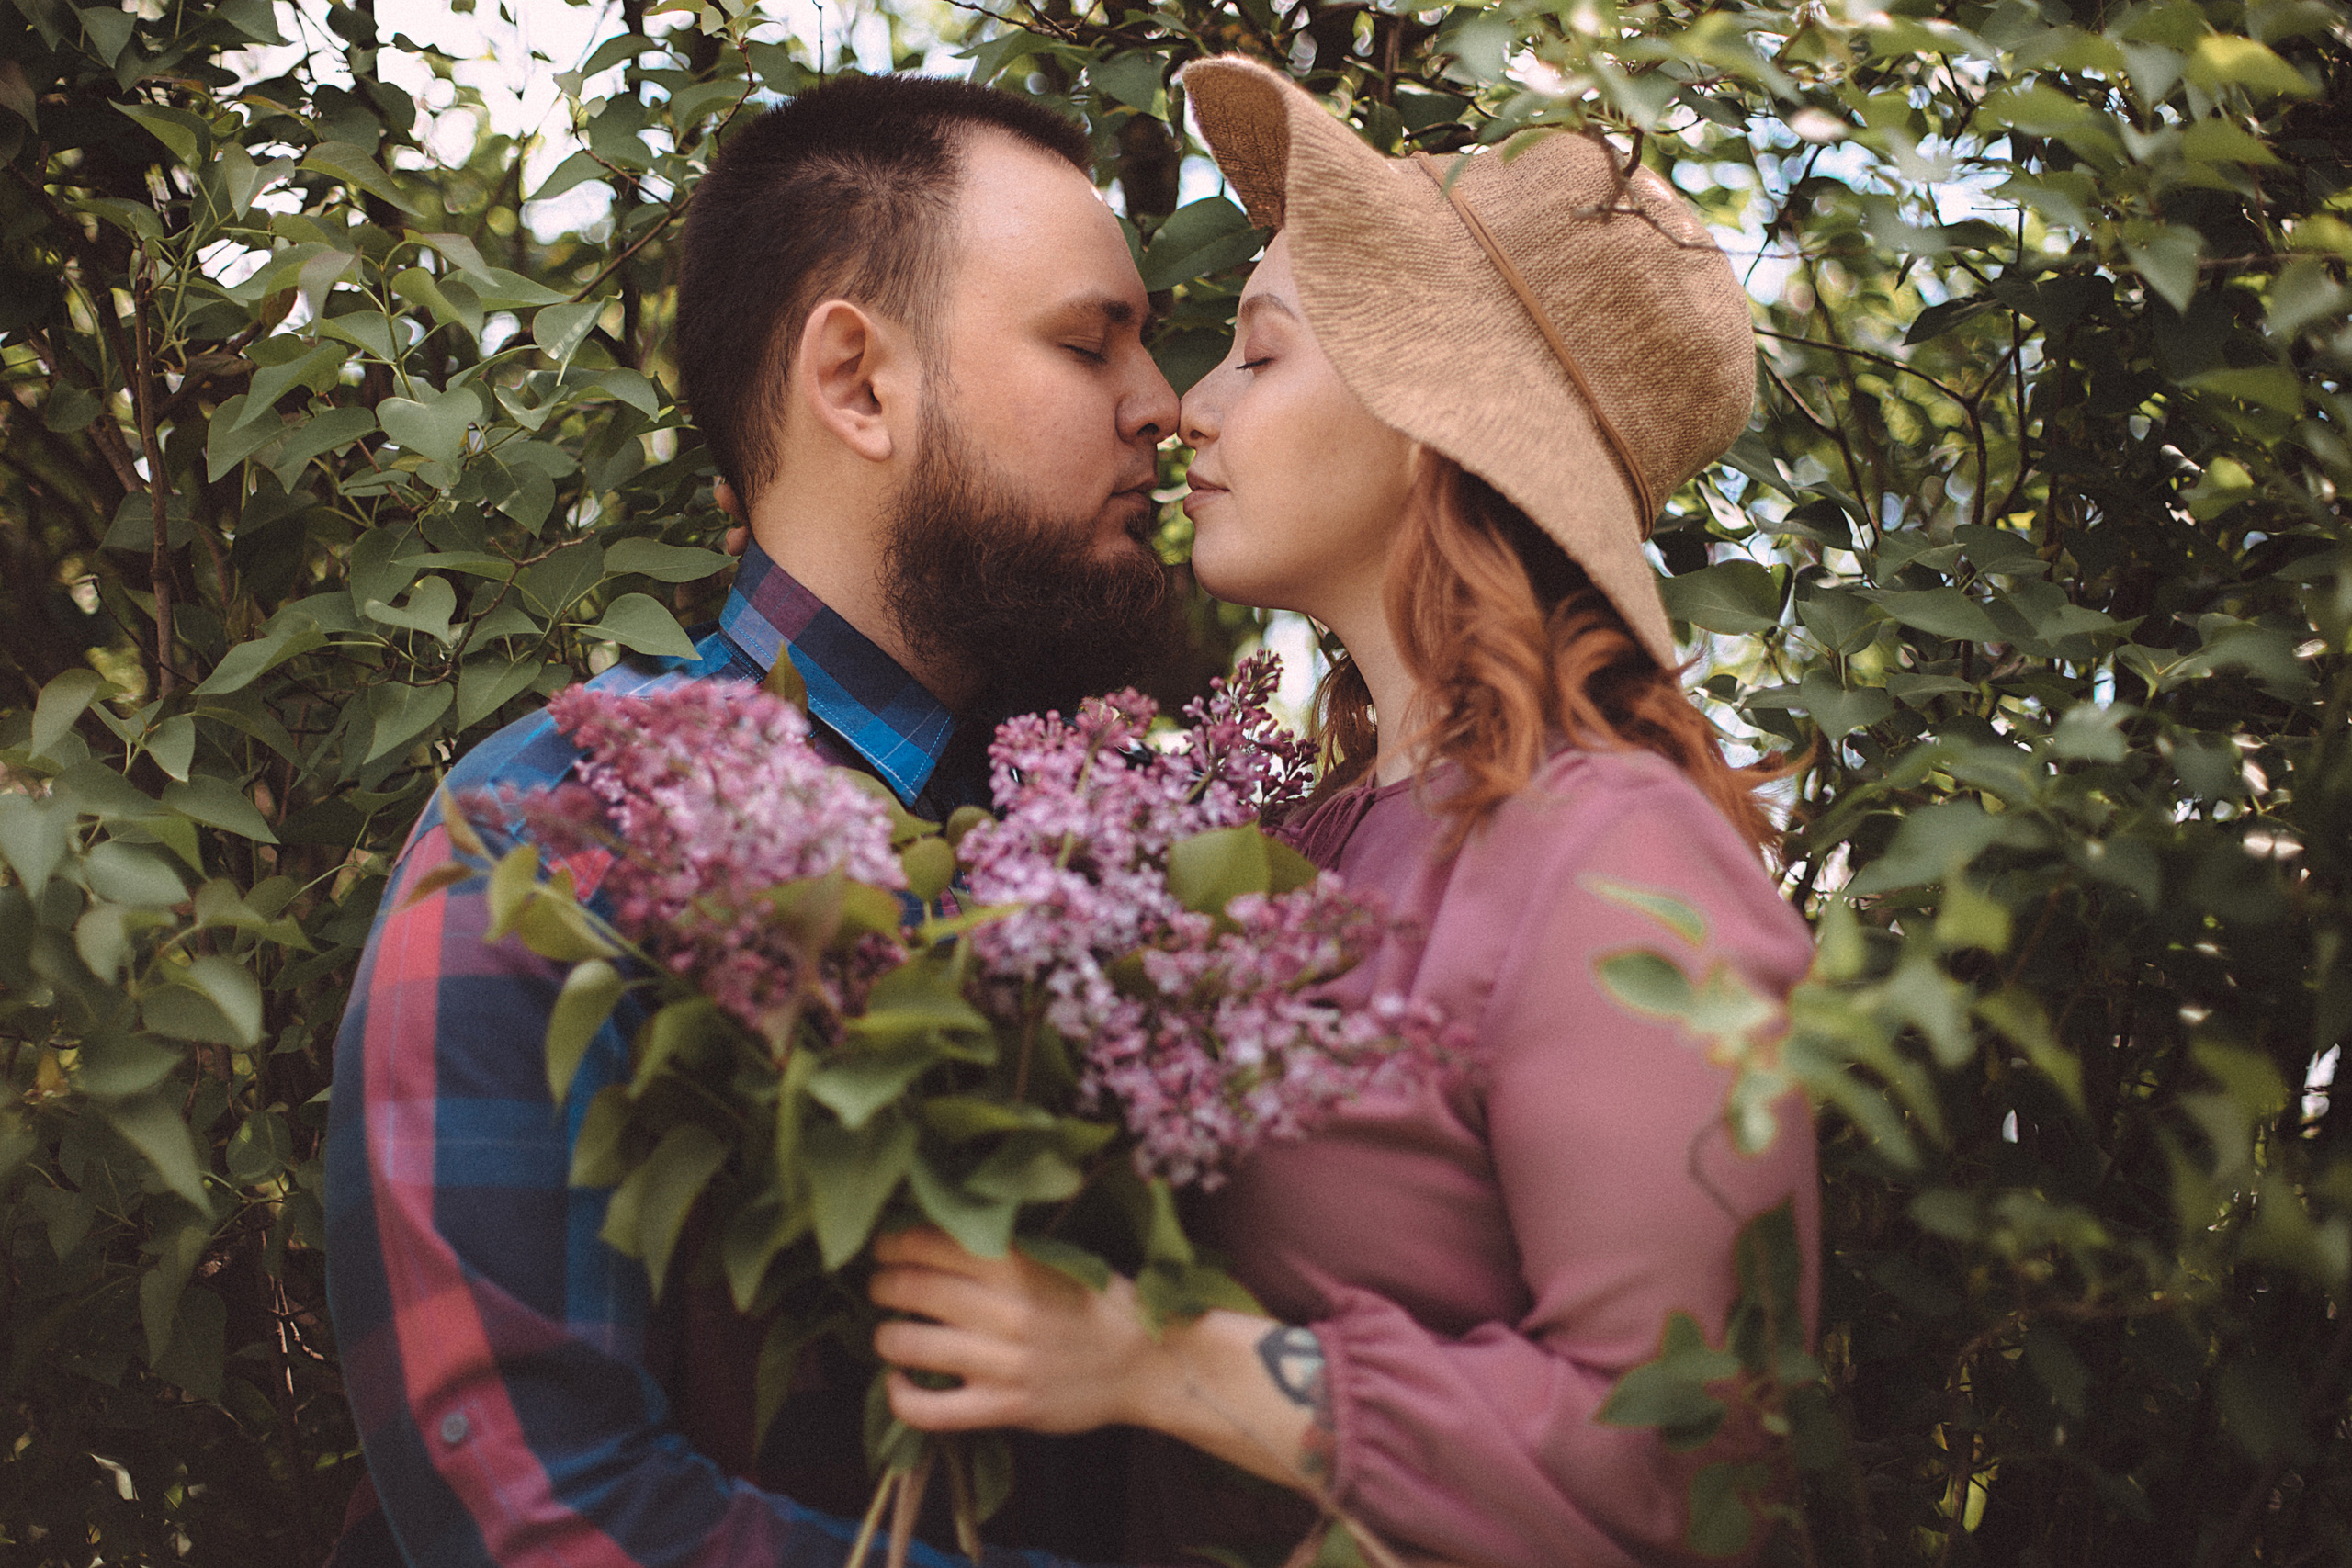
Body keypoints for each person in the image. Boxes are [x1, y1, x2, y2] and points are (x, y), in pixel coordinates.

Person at [862, 57, 1820, 1568]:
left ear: (1431, 425)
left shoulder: (1618, 853)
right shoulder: (1321, 828)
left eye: (1258, 351)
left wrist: (1156, 1360)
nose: (1187, 409)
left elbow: (1680, 1460)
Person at [320, 73, 1181, 1568]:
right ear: (857, 382)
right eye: (1088, 339)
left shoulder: (1117, 850)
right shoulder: (554, 839)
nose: (1161, 402)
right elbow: (541, 1516)